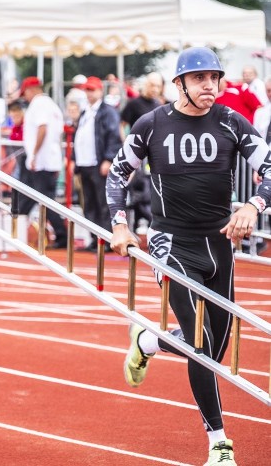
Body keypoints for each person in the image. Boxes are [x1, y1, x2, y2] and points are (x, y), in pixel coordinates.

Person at [108, 46, 270, 466]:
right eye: (199, 79)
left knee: (216, 347)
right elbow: (117, 174)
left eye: (214, 78)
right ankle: (218, 443)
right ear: (179, 82)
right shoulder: (152, 124)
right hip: (171, 244)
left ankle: (149, 340)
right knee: (199, 345)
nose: (209, 86)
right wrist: (120, 224)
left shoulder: (232, 122)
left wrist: (254, 205)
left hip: (219, 246)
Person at [13, 76, 68, 249]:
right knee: (36, 196)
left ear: (31, 90)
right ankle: (18, 223)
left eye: (26, 93)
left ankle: (61, 235)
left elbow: (42, 128)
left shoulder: (39, 104)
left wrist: (34, 154)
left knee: (44, 199)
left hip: (41, 160)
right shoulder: (51, 104)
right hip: (49, 158)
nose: (25, 97)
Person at [73, 76, 122, 252]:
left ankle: (106, 239)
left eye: (92, 90)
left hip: (98, 163)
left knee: (102, 203)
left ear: (100, 91)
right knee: (89, 203)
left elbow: (113, 136)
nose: (89, 93)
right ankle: (95, 238)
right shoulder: (86, 111)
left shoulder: (107, 111)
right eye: (87, 90)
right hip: (85, 163)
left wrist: (108, 159)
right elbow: (78, 137)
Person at [120, 72, 165, 233]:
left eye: (158, 86)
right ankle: (136, 226)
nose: (155, 89)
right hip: (136, 157)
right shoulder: (133, 104)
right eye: (152, 85)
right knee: (139, 194)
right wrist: (127, 144)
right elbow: (122, 124)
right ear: (146, 85)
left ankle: (147, 225)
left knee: (149, 194)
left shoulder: (158, 104)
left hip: (153, 159)